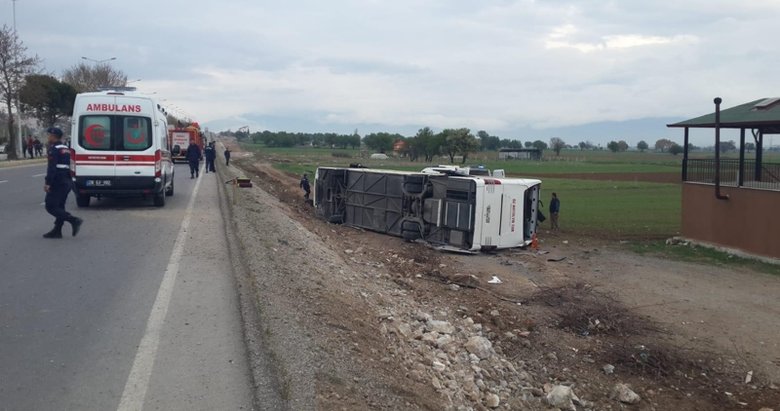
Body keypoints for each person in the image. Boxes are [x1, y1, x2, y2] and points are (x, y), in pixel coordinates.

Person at [43, 127, 83, 239]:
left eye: (49, 135)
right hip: (67, 180)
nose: (48, 137)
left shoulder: (54, 149)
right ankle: (57, 230)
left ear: (53, 136)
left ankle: (73, 220)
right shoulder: (66, 148)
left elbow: (52, 168)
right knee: (60, 206)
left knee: (50, 206)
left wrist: (48, 183)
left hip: (58, 181)